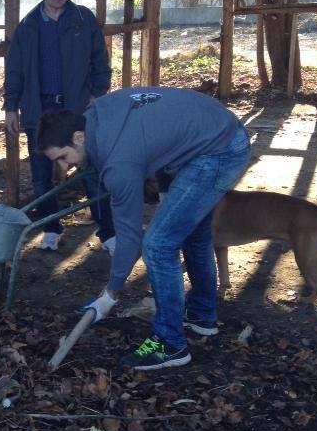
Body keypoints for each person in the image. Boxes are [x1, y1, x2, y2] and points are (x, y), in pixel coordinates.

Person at [36, 88, 251, 371]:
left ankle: (170, 345)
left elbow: (130, 237)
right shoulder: (93, 117)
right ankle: (201, 314)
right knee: (192, 234)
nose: (65, 167)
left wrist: (111, 293)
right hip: (209, 131)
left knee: (158, 245)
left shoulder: (119, 163)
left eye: (63, 157)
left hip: (219, 150)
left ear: (78, 137)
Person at [4, 0, 115, 252]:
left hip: (76, 110)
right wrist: (10, 106)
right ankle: (51, 229)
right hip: (39, 111)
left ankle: (108, 232)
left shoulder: (83, 19)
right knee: (41, 175)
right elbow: (14, 69)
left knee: (91, 170)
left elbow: (100, 60)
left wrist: (98, 92)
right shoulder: (28, 26)